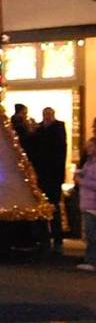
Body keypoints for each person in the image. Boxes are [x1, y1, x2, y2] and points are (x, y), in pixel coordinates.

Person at [33, 107, 68, 253]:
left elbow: (60, 150)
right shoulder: (40, 129)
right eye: (45, 114)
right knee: (43, 206)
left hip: (52, 175)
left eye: (49, 114)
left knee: (54, 206)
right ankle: (44, 238)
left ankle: (57, 237)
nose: (47, 117)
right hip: (42, 174)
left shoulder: (58, 128)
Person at [76, 120, 96, 272]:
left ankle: (91, 261)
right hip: (87, 202)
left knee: (91, 234)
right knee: (90, 234)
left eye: (90, 146)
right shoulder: (89, 162)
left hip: (92, 204)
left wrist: (81, 182)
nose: (87, 148)